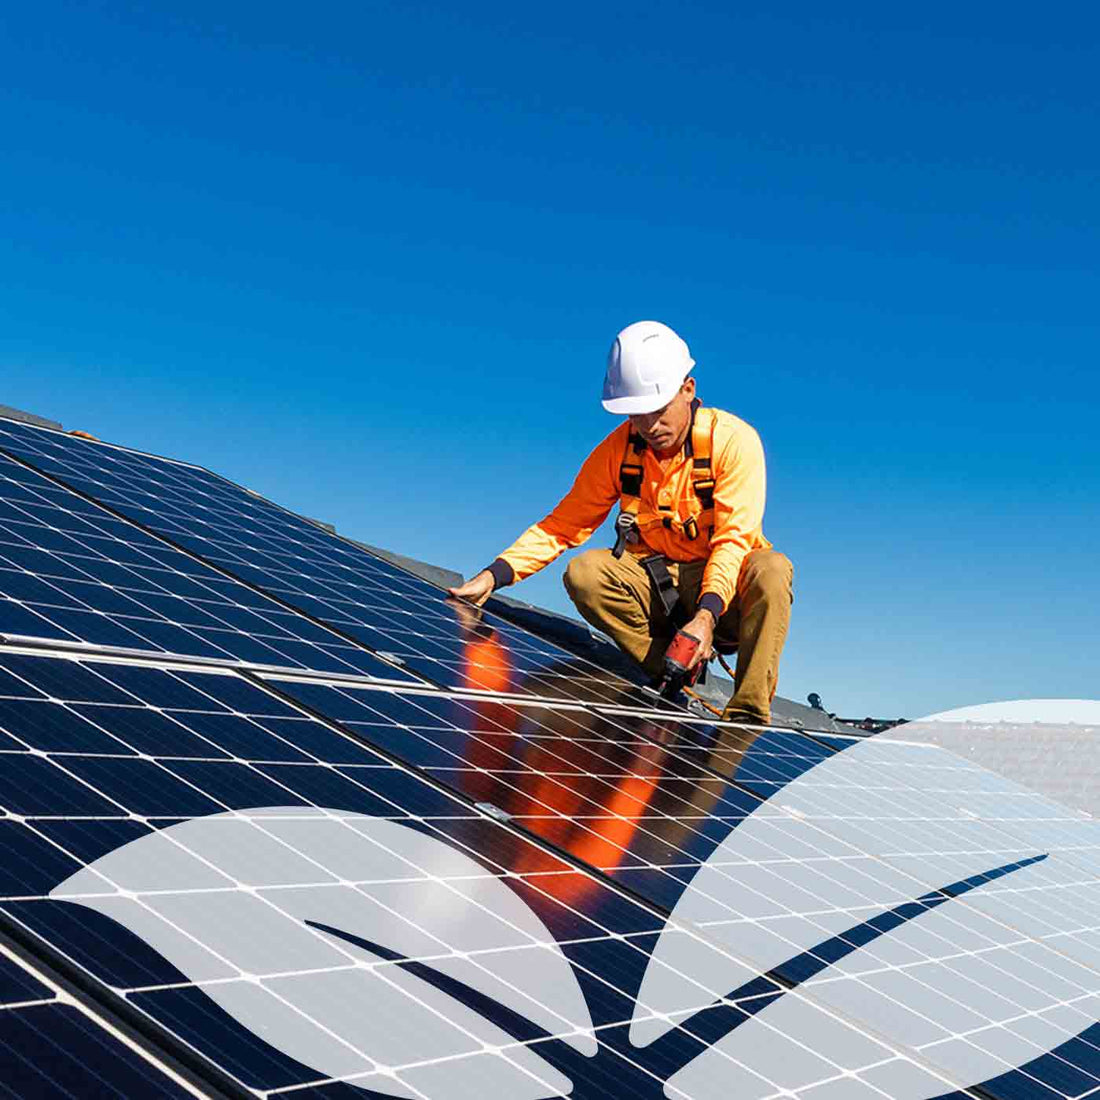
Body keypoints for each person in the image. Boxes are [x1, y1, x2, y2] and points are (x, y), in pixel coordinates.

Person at [448, 320, 793, 725]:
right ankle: (670, 671)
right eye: (637, 415)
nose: (649, 426)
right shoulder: (619, 451)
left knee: (772, 570)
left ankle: (746, 717)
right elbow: (562, 525)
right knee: (585, 572)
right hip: (656, 585)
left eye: (659, 411)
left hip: (726, 595)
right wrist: (493, 576)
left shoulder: (733, 442)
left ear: (688, 389)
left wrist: (706, 616)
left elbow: (735, 541)